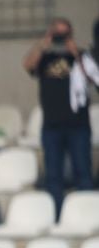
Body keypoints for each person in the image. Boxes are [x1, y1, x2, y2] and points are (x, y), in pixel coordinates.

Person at [24, 18, 98, 217]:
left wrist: (76, 54)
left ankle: (87, 215)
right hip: (52, 125)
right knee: (53, 177)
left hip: (78, 125)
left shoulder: (82, 55)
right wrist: (43, 44)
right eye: (56, 33)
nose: (60, 38)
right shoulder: (44, 57)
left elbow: (94, 79)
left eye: (63, 34)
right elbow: (28, 65)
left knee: (83, 173)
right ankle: (56, 216)